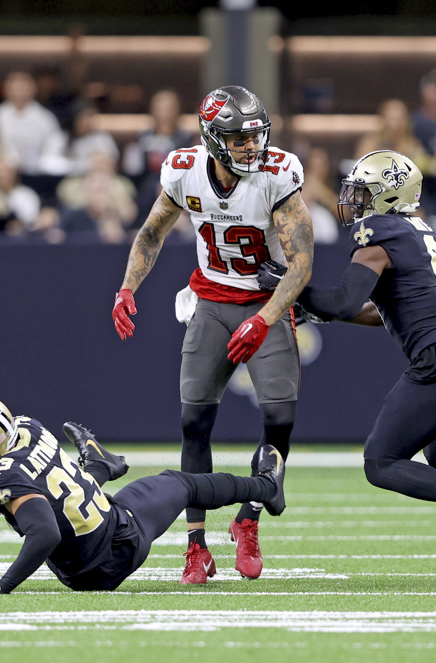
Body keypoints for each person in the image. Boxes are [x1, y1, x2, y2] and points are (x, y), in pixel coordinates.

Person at [260, 149, 436, 583]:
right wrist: (313, 308)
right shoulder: (412, 227)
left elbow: (344, 300)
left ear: (386, 197)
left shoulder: (378, 229)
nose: (353, 199)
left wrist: (291, 288)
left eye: (363, 192)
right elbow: (373, 311)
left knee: (380, 462)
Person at [111, 85, 314, 584]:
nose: (252, 146)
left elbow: (302, 262)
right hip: (211, 302)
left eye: (256, 135)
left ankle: (249, 516)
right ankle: (196, 545)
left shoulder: (277, 174)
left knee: (280, 416)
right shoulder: (183, 170)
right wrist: (126, 287)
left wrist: (264, 317)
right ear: (212, 139)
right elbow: (152, 232)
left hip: (264, 302)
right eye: (239, 138)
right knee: (194, 422)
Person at [0, 394, 285, 594]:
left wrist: (0, 587)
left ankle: (99, 468)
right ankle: (265, 486)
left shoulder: (2, 478)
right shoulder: (29, 429)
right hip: (109, 548)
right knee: (183, 483)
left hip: (96, 560)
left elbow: (43, 532)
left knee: (176, 484)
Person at [0, 71, 64, 175]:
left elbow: (56, 141)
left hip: (39, 173)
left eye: (22, 88)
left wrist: (45, 161)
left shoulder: (45, 117)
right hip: (4, 173)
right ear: (6, 90)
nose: (19, 92)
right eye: (15, 88)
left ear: (33, 89)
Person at [122, 89, 196, 179]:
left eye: (168, 108)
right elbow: (132, 171)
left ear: (177, 110)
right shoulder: (140, 139)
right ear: (152, 110)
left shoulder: (187, 141)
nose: (164, 113)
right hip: (145, 186)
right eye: (159, 108)